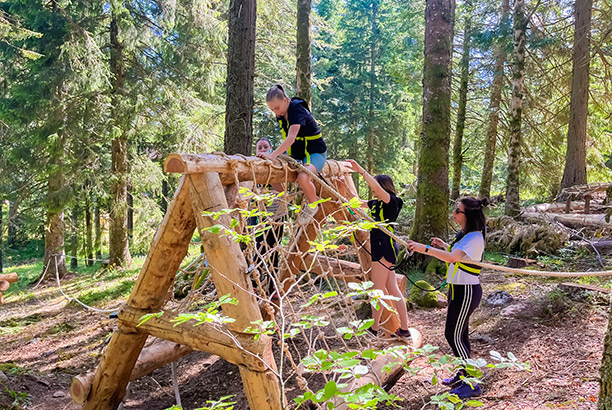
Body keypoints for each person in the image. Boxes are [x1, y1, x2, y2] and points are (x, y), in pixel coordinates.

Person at [406, 196, 488, 398]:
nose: (454, 213)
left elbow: (453, 258)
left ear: (467, 215)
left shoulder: (475, 237)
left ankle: (472, 384)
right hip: (458, 289)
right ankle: (463, 375)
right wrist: (443, 245)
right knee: (459, 334)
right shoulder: (465, 235)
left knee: (453, 334)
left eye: (457, 211)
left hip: (466, 291)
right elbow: (457, 254)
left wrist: (424, 248)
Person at [345, 159, 411, 339]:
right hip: (382, 247)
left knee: (377, 290)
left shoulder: (392, 202)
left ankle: (374, 329)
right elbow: (357, 201)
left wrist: (361, 171)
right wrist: (344, 183)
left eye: (377, 186)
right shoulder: (377, 204)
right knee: (392, 288)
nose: (373, 190)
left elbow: (378, 191)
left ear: (383, 186)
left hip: (384, 248)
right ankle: (404, 329)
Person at [258, 84, 327, 222]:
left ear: (285, 99)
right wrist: (272, 156)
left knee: (303, 178)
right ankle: (285, 196)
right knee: (272, 168)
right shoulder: (282, 114)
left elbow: (291, 138)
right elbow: (287, 142)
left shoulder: (296, 109)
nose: (276, 113)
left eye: (277, 108)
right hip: (297, 155)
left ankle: (313, 206)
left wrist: (272, 155)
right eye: (272, 110)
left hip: (315, 153)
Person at [250, 138, 286, 299]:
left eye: (266, 147)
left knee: (274, 250)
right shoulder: (252, 165)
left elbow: (281, 189)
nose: (263, 149)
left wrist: (268, 174)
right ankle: (254, 283)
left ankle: (272, 287)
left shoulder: (276, 165)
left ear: (271, 149)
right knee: (259, 248)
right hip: (259, 214)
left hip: (277, 214)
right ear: (256, 150)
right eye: (260, 147)